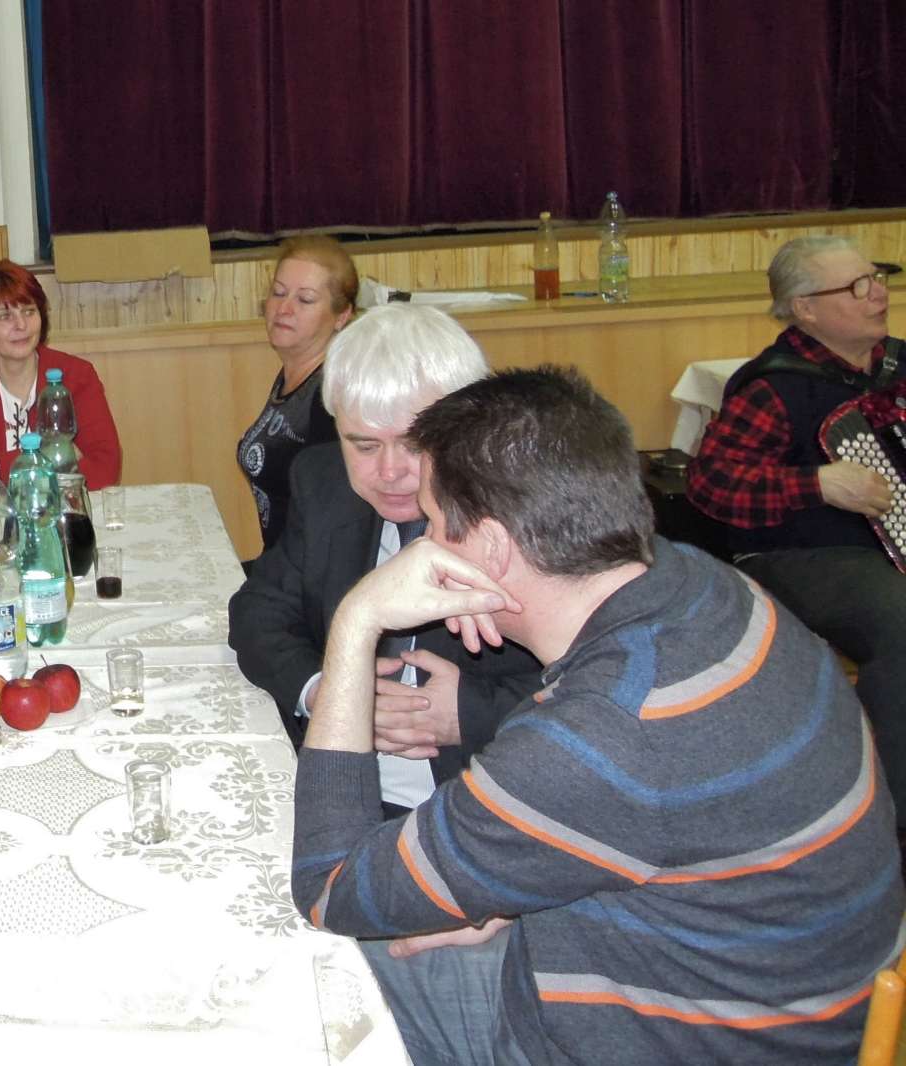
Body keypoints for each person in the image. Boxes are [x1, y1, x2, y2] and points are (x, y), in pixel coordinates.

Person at [293, 366, 904, 1065]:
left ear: (491, 549)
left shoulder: (599, 739)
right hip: (791, 1004)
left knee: (305, 986)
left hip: (696, 1045)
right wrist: (509, 900)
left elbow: (329, 886)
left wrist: (358, 619)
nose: (421, 544)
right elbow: (658, 823)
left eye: (431, 524)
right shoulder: (705, 584)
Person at [229, 306, 540, 799]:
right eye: (365, 446)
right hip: (338, 787)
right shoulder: (324, 483)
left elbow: (612, 677)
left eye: (414, 445)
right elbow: (257, 612)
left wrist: (469, 713)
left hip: (482, 800)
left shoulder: (531, 512)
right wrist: (328, 691)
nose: (389, 472)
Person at [686, 235, 906, 831]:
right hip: (802, 550)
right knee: (900, 621)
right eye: (857, 286)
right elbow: (711, 487)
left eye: (878, 276)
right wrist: (817, 484)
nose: (878, 293)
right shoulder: (774, 385)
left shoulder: (897, 365)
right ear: (805, 308)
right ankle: (887, 817)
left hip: (887, 544)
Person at [0, 259, 122, 497]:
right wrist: (45, 459)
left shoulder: (76, 376)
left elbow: (104, 469)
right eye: (5, 316)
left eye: (29, 311)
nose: (21, 325)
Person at [237, 235, 358, 553]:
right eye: (278, 293)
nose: (284, 308)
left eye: (305, 299)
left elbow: (336, 527)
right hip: (283, 566)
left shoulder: (330, 399)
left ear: (341, 316)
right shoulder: (293, 376)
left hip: (309, 575)